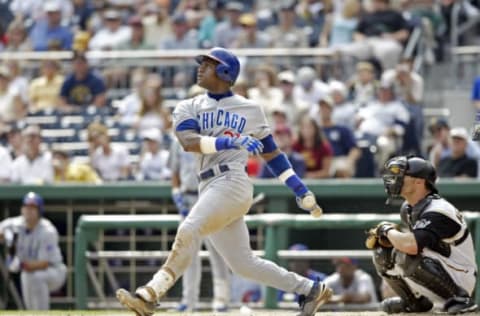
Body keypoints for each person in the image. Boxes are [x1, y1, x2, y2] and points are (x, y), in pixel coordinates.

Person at [116, 47, 332, 316]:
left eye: (207, 64)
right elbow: (188, 142)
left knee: (189, 229)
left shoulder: (250, 109)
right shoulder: (188, 106)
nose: (200, 68)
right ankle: (311, 289)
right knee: (244, 264)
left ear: (224, 71)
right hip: (207, 185)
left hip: (233, 180)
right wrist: (229, 140)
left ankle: (151, 293)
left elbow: (272, 154)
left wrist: (298, 188)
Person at [369, 156, 477, 314]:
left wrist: (386, 229)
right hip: (441, 265)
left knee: (405, 252)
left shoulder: (438, 210)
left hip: (460, 275)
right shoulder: (408, 208)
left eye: (401, 174)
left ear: (419, 181)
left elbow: (411, 246)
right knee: (382, 252)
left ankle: (461, 300)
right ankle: (414, 302)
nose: (394, 178)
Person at [168, 137, 230, 312]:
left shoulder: (211, 137)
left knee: (217, 252)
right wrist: (176, 194)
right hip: (187, 198)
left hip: (209, 197)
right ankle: (189, 301)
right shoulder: (177, 141)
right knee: (188, 254)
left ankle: (221, 300)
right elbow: (174, 171)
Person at [0, 192, 67, 310]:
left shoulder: (47, 230)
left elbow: (44, 263)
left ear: (39, 210)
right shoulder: (15, 224)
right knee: (27, 276)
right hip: (28, 270)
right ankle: (30, 312)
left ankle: (41, 312)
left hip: (54, 271)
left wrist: (19, 264)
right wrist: (6, 236)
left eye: (33, 208)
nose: (29, 211)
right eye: (26, 207)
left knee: (36, 276)